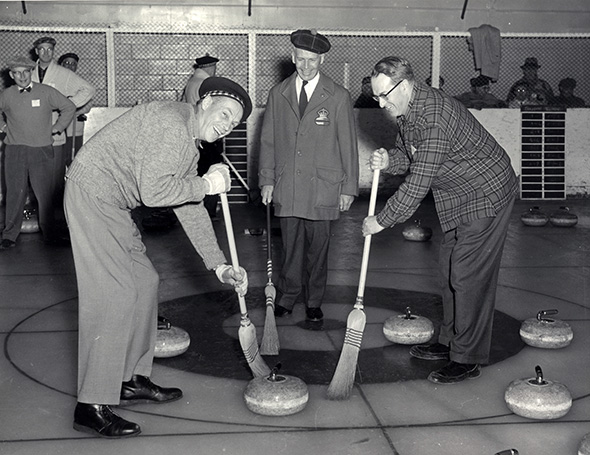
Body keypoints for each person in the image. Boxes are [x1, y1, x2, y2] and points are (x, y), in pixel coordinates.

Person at [64, 77, 252, 438]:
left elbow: (187, 204)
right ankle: (91, 405)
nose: (227, 124)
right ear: (206, 101)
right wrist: (207, 185)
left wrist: (220, 265)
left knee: (145, 281)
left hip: (114, 204)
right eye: (225, 114)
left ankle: (130, 380)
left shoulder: (189, 140)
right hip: (93, 195)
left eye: (234, 122)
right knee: (115, 294)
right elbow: (155, 192)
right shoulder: (172, 124)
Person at [364, 56, 517, 385]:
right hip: (457, 194)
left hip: (486, 191)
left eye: (385, 95)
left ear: (404, 85)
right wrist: (391, 159)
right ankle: (450, 343)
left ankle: (468, 357)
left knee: (467, 274)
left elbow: (418, 181)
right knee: (450, 269)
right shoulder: (406, 108)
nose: (381, 103)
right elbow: (410, 154)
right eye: (376, 96)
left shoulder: (434, 115)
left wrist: (381, 220)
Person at [259, 29, 359, 322]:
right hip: (287, 184)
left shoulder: (338, 96)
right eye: (301, 60)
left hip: (322, 187)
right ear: (293, 57)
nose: (305, 66)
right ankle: (287, 296)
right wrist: (266, 180)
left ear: (322, 59)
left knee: (319, 249)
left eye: (312, 61)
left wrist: (348, 188)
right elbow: (268, 140)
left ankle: (314, 300)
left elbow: (348, 146)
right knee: (290, 248)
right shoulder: (278, 94)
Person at [0, 56, 75, 250]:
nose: (22, 76)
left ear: (31, 73)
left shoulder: (46, 92)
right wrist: (3, 127)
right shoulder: (7, 95)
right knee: (15, 193)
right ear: (11, 75)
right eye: (17, 73)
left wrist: (57, 127)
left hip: (41, 151)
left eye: (26, 72)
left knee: (45, 195)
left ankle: (51, 234)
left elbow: (69, 107)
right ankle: (9, 235)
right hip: (15, 150)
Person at [31, 36, 96, 222]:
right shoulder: (28, 72)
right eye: (42, 49)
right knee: (36, 177)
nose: (45, 53)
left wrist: (66, 106)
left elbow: (88, 90)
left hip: (56, 133)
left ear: (53, 52)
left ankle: (60, 221)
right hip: (32, 133)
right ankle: (42, 218)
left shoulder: (62, 73)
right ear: (36, 51)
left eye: (49, 50)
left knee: (56, 179)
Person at [182, 54, 223, 219]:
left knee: (197, 173)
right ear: (210, 67)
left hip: (193, 134)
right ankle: (209, 211)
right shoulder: (205, 84)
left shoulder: (190, 83)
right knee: (211, 172)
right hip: (206, 136)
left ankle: (199, 211)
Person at [58, 52, 94, 160]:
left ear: (76, 66)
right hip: (57, 128)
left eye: (73, 63)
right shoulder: (55, 81)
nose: (69, 65)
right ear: (61, 65)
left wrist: (72, 110)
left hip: (74, 128)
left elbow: (88, 104)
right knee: (57, 159)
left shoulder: (81, 83)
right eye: (66, 63)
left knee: (73, 158)